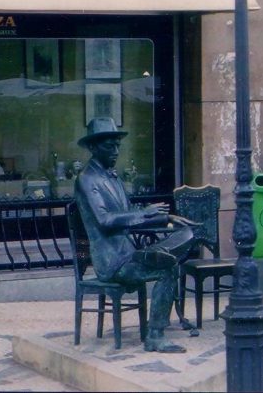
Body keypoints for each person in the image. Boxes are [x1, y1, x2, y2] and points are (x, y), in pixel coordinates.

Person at [75, 117, 194, 353]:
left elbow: (129, 213)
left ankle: (156, 331)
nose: (116, 151)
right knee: (167, 268)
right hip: (111, 262)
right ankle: (155, 336)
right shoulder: (87, 179)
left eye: (118, 145)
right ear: (93, 147)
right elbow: (105, 220)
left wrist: (165, 218)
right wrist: (146, 213)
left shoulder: (112, 177)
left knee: (171, 254)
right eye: (110, 146)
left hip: (126, 255)